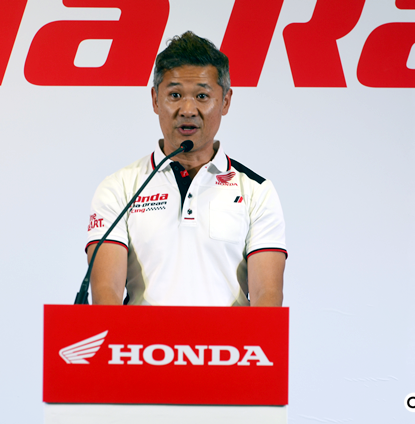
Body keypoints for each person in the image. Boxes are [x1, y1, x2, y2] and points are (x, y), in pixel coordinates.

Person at [86, 31, 286, 306]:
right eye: (175, 94)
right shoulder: (118, 188)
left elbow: (267, 298)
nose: (188, 109)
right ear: (155, 100)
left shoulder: (257, 191)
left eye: (202, 96)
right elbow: (106, 294)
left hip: (226, 337)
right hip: (141, 337)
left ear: (225, 101)